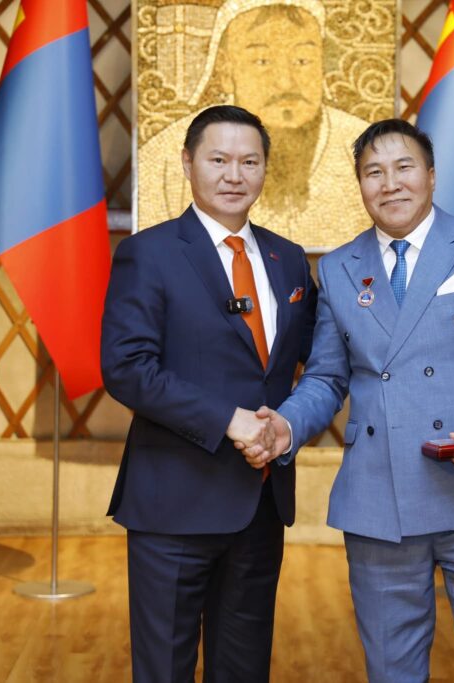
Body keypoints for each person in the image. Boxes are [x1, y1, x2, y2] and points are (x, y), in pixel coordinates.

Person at [247, 119, 454, 682]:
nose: (390, 183)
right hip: (378, 503)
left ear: (432, 176)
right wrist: (286, 427)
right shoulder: (339, 269)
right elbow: (326, 378)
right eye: (374, 172)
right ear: (360, 186)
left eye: (404, 167)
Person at [101, 105, 317, 682]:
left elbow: (320, 358)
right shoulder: (149, 253)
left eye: (250, 161)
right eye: (218, 160)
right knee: (165, 670)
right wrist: (230, 419)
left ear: (266, 169)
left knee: (245, 668)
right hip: (175, 503)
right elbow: (127, 368)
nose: (234, 175)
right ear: (187, 163)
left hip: (261, 504)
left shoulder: (289, 260)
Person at [138, 0, 371, 248]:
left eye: (302, 60)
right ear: (226, 70)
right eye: (262, 61)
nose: (285, 82)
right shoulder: (164, 157)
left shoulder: (361, 147)